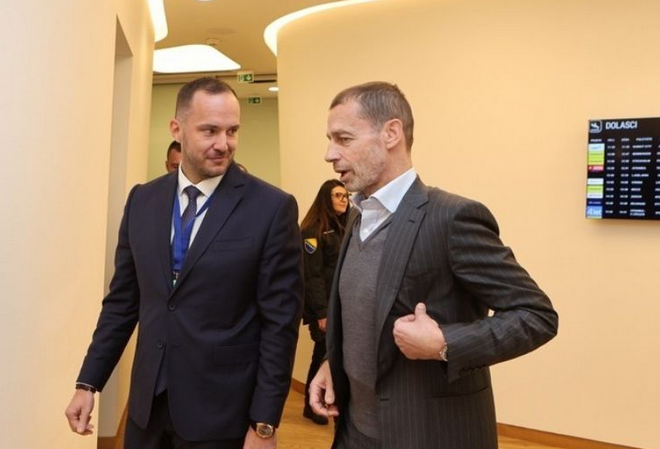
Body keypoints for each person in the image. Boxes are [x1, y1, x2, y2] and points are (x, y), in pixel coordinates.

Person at [308, 81, 558, 449]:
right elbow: (361, 315)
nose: (330, 154)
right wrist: (333, 360)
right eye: (330, 140)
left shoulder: (452, 218)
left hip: (427, 434)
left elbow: (537, 316)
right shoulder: (358, 216)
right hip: (353, 432)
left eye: (344, 139)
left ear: (391, 133)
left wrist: (444, 343)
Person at [65, 77, 303, 449]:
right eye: (210, 130)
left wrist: (264, 423)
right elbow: (122, 303)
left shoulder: (271, 208)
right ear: (177, 129)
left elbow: (280, 325)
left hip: (221, 413)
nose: (223, 144)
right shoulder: (142, 201)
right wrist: (88, 382)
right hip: (147, 409)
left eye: (232, 131)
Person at [299, 179, 349, 425]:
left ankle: (328, 401)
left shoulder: (345, 226)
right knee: (322, 353)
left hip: (342, 304)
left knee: (335, 354)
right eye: (338, 195)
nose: (344, 200)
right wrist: (321, 313)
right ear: (325, 199)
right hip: (324, 306)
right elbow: (312, 275)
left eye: (346, 195)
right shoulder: (312, 230)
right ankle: (312, 405)